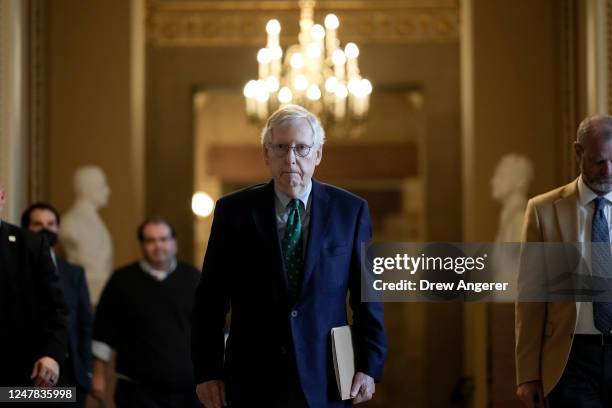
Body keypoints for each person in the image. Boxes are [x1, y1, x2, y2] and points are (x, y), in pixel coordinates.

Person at [192, 104, 387, 408]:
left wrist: (369, 365)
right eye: (280, 147)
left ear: (318, 154)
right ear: (266, 154)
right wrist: (207, 372)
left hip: (327, 379)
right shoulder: (234, 212)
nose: (291, 159)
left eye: (301, 148)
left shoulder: (351, 212)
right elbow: (210, 301)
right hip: (251, 380)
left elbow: (367, 298)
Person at [516, 115, 612, 407]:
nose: (608, 170)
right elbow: (531, 297)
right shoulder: (543, 211)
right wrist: (527, 374)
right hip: (571, 360)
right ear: (579, 153)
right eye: (598, 161)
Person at [91, 216, 201, 407]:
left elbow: (212, 330)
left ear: (174, 242)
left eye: (163, 239)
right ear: (142, 245)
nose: (158, 246)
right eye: (150, 240)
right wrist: (98, 375)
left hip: (189, 393)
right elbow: (103, 333)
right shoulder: (121, 280)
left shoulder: (194, 278)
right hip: (137, 391)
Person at [21, 202, 93, 406]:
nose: (45, 229)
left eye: (51, 224)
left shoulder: (74, 273)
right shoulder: (16, 267)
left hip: (71, 375)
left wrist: (86, 371)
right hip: (31, 375)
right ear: (25, 229)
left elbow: (84, 324)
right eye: (38, 224)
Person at [0, 186, 68, 387]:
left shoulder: (31, 244)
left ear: (2, 197)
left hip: (20, 374)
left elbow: (55, 308)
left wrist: (52, 355)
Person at [60, 165, 113, 304]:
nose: (108, 191)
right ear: (86, 189)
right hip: (86, 290)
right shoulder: (71, 222)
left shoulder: (94, 220)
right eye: (102, 185)